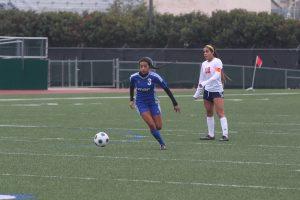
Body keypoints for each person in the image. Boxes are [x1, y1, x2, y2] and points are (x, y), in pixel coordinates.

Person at [129, 57, 180, 150]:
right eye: (141, 66)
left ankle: (155, 132)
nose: (143, 68)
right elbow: (131, 87)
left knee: (158, 126)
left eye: (145, 66)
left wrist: (175, 103)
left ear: (149, 67)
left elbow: (166, 89)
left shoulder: (155, 77)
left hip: (153, 102)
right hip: (140, 103)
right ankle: (162, 144)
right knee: (152, 125)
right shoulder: (134, 77)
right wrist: (131, 100)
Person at [193, 45, 229, 141]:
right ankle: (211, 135)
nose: (205, 53)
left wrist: (206, 82)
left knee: (220, 112)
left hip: (217, 91)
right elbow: (201, 79)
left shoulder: (217, 61)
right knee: (209, 112)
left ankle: (225, 135)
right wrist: (197, 93)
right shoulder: (204, 64)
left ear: (212, 52)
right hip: (207, 92)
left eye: (207, 51)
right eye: (204, 52)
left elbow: (217, 75)